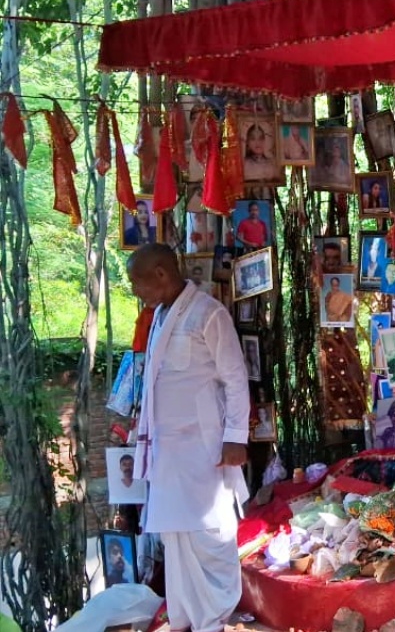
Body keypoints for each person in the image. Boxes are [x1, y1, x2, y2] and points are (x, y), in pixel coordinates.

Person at [125, 243, 249, 632]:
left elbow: (234, 377)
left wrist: (236, 437)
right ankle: (185, 617)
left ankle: (215, 615)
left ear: (161, 273)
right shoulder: (160, 315)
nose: (135, 291)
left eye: (138, 282)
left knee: (209, 532)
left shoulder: (208, 314)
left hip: (203, 445)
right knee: (176, 537)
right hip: (167, 449)